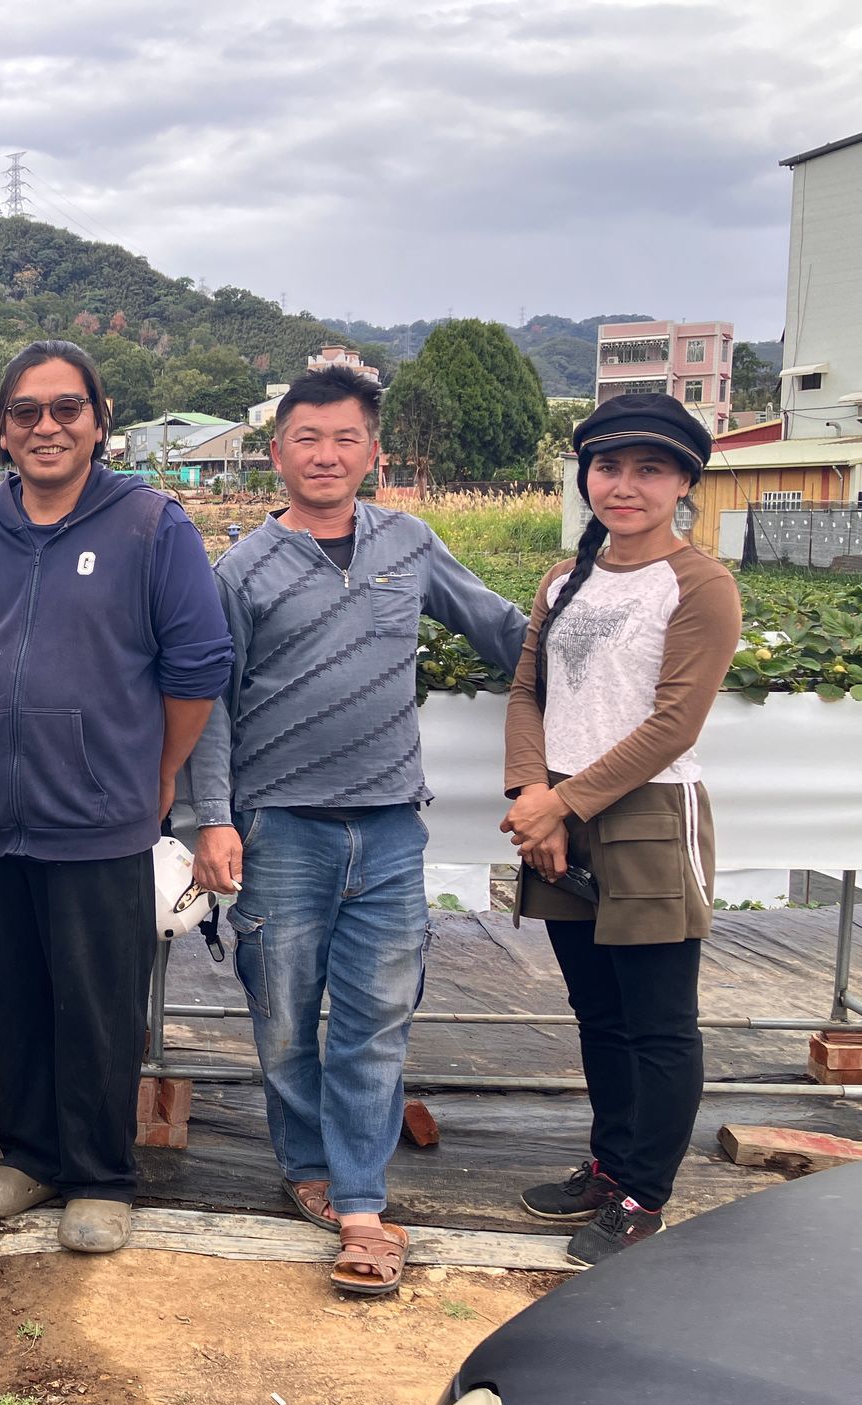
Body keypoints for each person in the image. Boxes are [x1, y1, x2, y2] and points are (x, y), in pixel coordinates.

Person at [186, 365, 527, 1296]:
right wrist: (213, 820)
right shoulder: (241, 571)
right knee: (286, 1016)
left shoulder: (409, 544)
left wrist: (608, 633)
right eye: (308, 438)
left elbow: (503, 632)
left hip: (387, 829)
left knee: (376, 1020)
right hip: (279, 828)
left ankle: (365, 1204)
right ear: (277, 451)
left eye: (345, 439)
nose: (327, 455)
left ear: (373, 451)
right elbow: (210, 703)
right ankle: (307, 1170)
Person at [0, 339, 233, 1253]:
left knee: (99, 1003)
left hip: (102, 817)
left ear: (100, 423)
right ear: (1, 430)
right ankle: (29, 1156)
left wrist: (160, 774)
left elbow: (198, 667)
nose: (46, 427)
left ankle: (100, 1174)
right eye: (25, 411)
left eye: (67, 408)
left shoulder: (151, 525)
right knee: (11, 996)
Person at [501, 394, 741, 1268]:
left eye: (649, 469)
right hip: (559, 811)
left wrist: (563, 804)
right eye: (609, 467)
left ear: (683, 482)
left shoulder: (700, 585)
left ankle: (646, 1191)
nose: (625, 485)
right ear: (586, 476)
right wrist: (534, 792)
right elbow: (529, 691)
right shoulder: (565, 582)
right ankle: (609, 1167)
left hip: (645, 816)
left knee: (659, 1020)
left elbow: (673, 724)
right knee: (597, 1013)